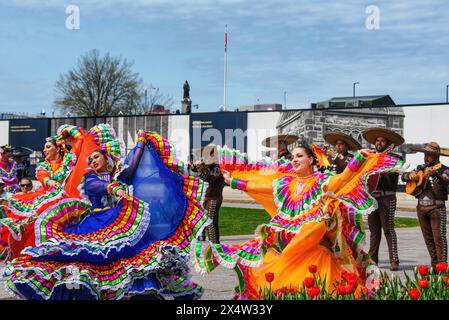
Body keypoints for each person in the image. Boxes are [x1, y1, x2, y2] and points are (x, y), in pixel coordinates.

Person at [3, 128, 209, 300]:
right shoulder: (90, 179)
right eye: (90, 158)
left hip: (118, 218)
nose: (92, 161)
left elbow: (131, 169)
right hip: (98, 221)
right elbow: (102, 186)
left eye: (96, 157)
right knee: (95, 261)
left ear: (106, 157)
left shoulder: (118, 174)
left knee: (137, 256)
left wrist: (140, 141)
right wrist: (116, 189)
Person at [193, 143, 404, 299]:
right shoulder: (286, 183)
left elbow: (342, 180)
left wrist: (357, 159)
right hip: (290, 241)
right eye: (293, 156)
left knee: (315, 272)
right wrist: (234, 181)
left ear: (311, 160)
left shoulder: (322, 181)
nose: (294, 159)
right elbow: (261, 187)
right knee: (278, 269)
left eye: (300, 156)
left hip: (315, 246)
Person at [362, 127, 404, 271]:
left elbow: (395, 171)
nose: (379, 143)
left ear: (388, 143)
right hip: (372, 197)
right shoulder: (370, 157)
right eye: (377, 141)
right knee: (374, 231)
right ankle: (373, 260)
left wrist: (383, 164)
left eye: (382, 141)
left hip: (387, 196)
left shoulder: (395, 158)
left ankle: (394, 260)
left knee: (388, 230)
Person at [401, 142, 449, 269]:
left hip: (436, 208)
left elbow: (446, 182)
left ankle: (443, 268)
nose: (426, 157)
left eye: (430, 155)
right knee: (428, 239)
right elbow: (403, 176)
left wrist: (435, 174)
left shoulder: (444, 169)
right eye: (425, 154)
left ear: (436, 156)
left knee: (439, 239)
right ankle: (434, 266)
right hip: (421, 207)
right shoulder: (420, 167)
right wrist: (409, 176)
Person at [195, 144, 225, 243]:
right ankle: (206, 243)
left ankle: (214, 245)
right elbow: (203, 178)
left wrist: (200, 169)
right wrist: (199, 169)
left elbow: (209, 179)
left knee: (210, 222)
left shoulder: (217, 167)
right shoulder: (209, 167)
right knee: (205, 220)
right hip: (207, 197)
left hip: (214, 198)